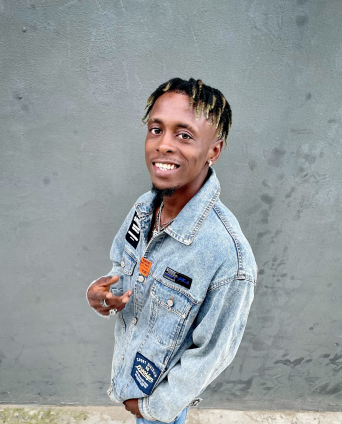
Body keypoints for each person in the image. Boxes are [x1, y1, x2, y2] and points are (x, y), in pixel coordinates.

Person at [86, 77, 257, 424]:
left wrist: (153, 408)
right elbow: (123, 264)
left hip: (159, 407)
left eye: (184, 135)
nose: (163, 145)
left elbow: (212, 353)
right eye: (156, 130)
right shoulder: (143, 208)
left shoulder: (229, 258)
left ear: (214, 151)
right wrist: (104, 295)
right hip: (129, 378)